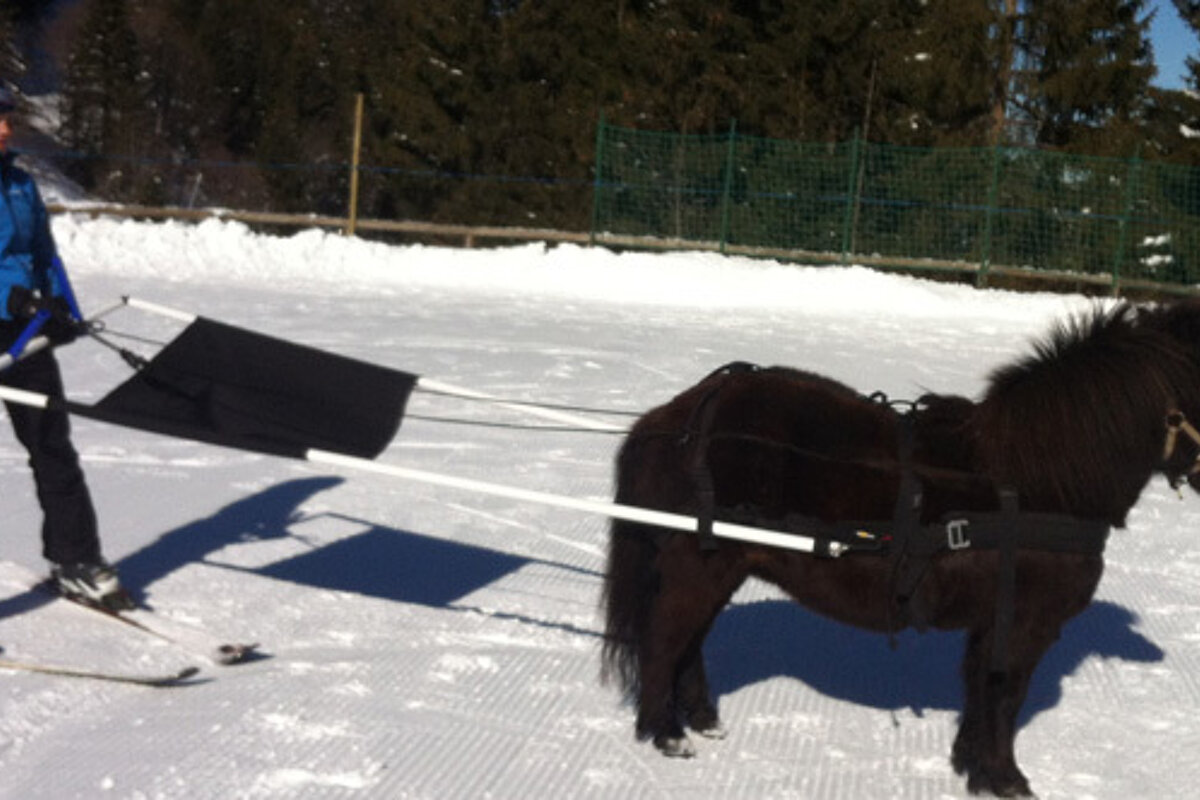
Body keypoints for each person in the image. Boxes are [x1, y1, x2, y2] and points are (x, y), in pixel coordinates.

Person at [0, 86, 130, 610]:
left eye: (7, 117)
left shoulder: (20, 185)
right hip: (10, 313)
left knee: (52, 445)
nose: (6, 129)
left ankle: (75, 559)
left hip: (22, 333)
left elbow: (44, 255)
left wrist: (62, 308)